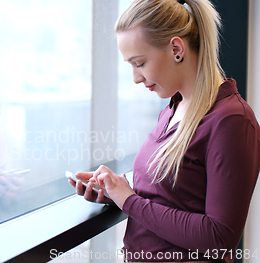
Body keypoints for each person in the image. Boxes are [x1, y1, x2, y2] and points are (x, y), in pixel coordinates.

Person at [69, 0, 260, 262]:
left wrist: (129, 201)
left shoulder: (231, 120)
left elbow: (219, 237)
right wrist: (115, 191)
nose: (136, 77)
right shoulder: (174, 108)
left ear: (176, 49)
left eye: (140, 63)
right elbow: (172, 198)